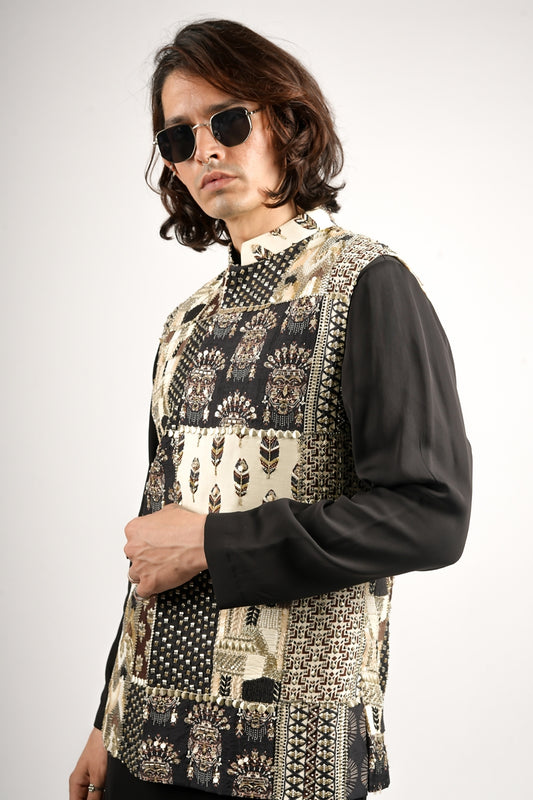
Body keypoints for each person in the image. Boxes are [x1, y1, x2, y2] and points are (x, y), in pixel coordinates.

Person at [69, 18, 472, 800]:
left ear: (286, 123)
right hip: (143, 737)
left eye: (226, 121)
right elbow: (156, 539)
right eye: (179, 138)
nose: (205, 150)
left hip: (287, 754)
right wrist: (101, 720)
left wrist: (214, 543)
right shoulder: (187, 321)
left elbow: (430, 514)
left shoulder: (367, 284)